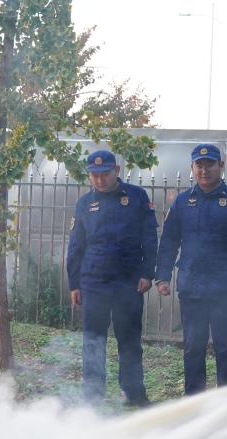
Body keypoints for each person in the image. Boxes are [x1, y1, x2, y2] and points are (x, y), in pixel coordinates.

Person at [155, 144, 227, 395]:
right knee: (193, 348)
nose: (204, 170)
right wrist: (162, 276)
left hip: (226, 290)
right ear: (192, 168)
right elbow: (169, 241)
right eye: (199, 165)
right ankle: (195, 400)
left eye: (210, 164)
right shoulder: (182, 202)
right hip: (192, 289)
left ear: (220, 166)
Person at [66, 150, 158, 406]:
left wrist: (147, 273)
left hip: (128, 282)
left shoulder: (137, 197)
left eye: (105, 174)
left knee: (129, 341)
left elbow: (150, 238)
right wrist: (74, 283)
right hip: (93, 282)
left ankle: (134, 393)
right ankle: (93, 396)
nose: (99, 180)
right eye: (94, 175)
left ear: (116, 171)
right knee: (93, 341)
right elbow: (76, 245)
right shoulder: (85, 204)